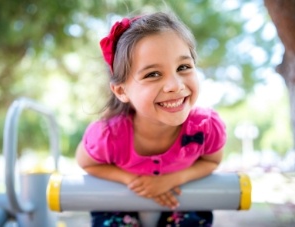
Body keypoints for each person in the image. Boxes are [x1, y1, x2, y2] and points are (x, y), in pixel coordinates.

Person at [75, 11, 226, 227]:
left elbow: (212, 161)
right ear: (121, 90)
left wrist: (173, 179)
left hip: (179, 201)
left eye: (183, 67)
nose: (175, 85)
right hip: (120, 204)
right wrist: (132, 181)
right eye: (153, 74)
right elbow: (86, 163)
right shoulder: (107, 135)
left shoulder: (206, 128)